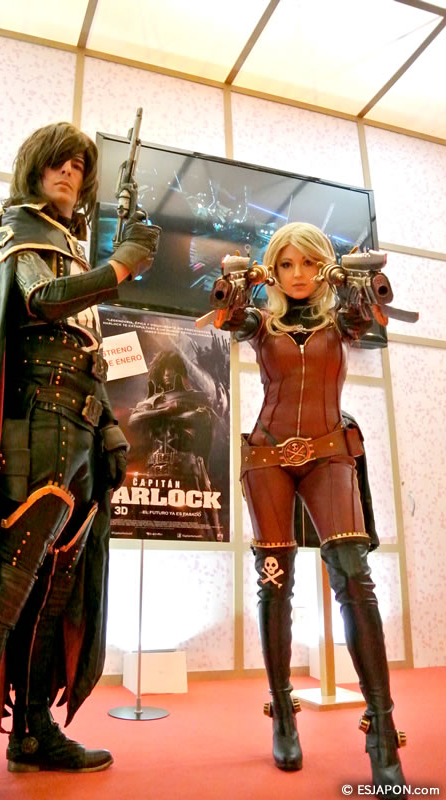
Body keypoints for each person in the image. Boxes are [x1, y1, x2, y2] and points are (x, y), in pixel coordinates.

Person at [0, 122, 160, 800]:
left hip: (76, 431)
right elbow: (39, 302)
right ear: (35, 168)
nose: (71, 172)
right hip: (38, 429)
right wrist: (121, 267)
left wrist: (108, 426)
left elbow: (84, 349)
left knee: (53, 595)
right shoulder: (17, 226)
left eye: (80, 165)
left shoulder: (70, 249)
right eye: (59, 162)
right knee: (3, 598)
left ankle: (32, 732)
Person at [225, 222, 406, 793]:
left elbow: (367, 313)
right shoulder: (262, 322)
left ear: (323, 265)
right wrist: (239, 281)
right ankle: (282, 710)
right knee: (273, 581)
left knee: (354, 575)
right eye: (285, 264)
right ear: (273, 270)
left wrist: (353, 278)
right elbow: (231, 317)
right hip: (267, 457)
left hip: (330, 453)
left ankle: (382, 729)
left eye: (308, 262)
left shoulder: (341, 319)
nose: (297, 274)